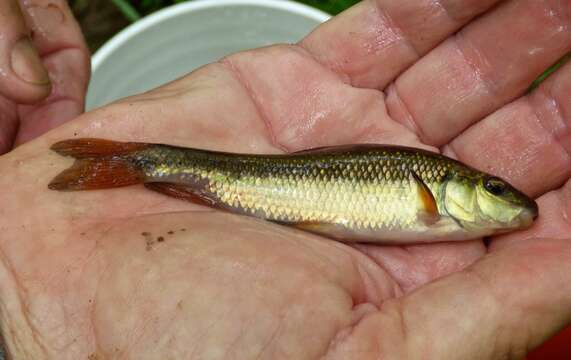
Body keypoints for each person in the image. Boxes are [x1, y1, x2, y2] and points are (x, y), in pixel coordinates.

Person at [0, 0, 570, 358]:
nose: (505, 199)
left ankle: (146, 161)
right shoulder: (433, 197)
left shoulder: (442, 205)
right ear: (457, 187)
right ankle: (145, 160)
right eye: (495, 189)